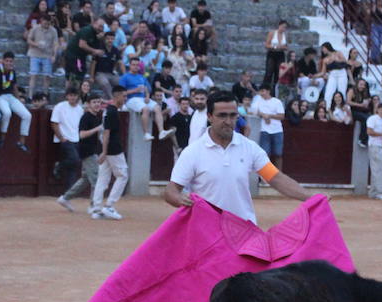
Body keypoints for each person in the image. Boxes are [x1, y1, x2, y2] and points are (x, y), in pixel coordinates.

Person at [164, 91, 312, 225]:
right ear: (209, 117)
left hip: (243, 231)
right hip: (207, 232)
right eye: (222, 115)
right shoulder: (193, 152)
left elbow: (275, 177)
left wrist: (310, 197)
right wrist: (178, 199)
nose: (228, 121)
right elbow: (171, 190)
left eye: (233, 115)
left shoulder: (250, 147)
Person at [91, 86, 129, 220]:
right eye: (124, 96)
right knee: (123, 175)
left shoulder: (109, 110)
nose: (125, 99)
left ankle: (96, 208)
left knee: (103, 177)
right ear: (117, 96)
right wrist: (105, 151)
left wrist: (103, 150)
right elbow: (107, 132)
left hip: (106, 147)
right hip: (113, 148)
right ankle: (109, 206)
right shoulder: (112, 111)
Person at [51, 86, 85, 211]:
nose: (72, 97)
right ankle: (59, 166)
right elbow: (54, 123)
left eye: (75, 95)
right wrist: (61, 138)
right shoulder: (60, 106)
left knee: (73, 168)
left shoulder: (80, 109)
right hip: (65, 139)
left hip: (76, 140)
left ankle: (67, 197)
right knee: (75, 161)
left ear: (77, 96)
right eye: (70, 95)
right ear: (67, 96)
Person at [0, 53, 31, 153]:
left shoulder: (12, 71)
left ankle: (21, 142)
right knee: (7, 113)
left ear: (13, 62)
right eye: (7, 61)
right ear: (3, 61)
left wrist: (19, 99)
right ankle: (2, 138)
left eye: (11, 61)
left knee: (27, 115)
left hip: (10, 96)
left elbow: (14, 87)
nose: (8, 63)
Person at [250, 83, 285, 171]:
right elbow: (253, 111)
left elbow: (281, 116)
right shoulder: (258, 100)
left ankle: (279, 175)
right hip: (264, 130)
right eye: (260, 91)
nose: (261, 93)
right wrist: (263, 115)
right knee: (265, 154)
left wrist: (269, 116)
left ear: (268, 91)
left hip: (277, 130)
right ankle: (267, 176)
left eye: (263, 91)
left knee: (278, 154)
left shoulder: (276, 101)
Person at [366, 99, 382, 201]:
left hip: (377, 146)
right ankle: (379, 192)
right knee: (378, 169)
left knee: (377, 169)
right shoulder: (373, 119)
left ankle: (373, 192)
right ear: (377, 110)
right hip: (375, 146)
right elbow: (369, 132)